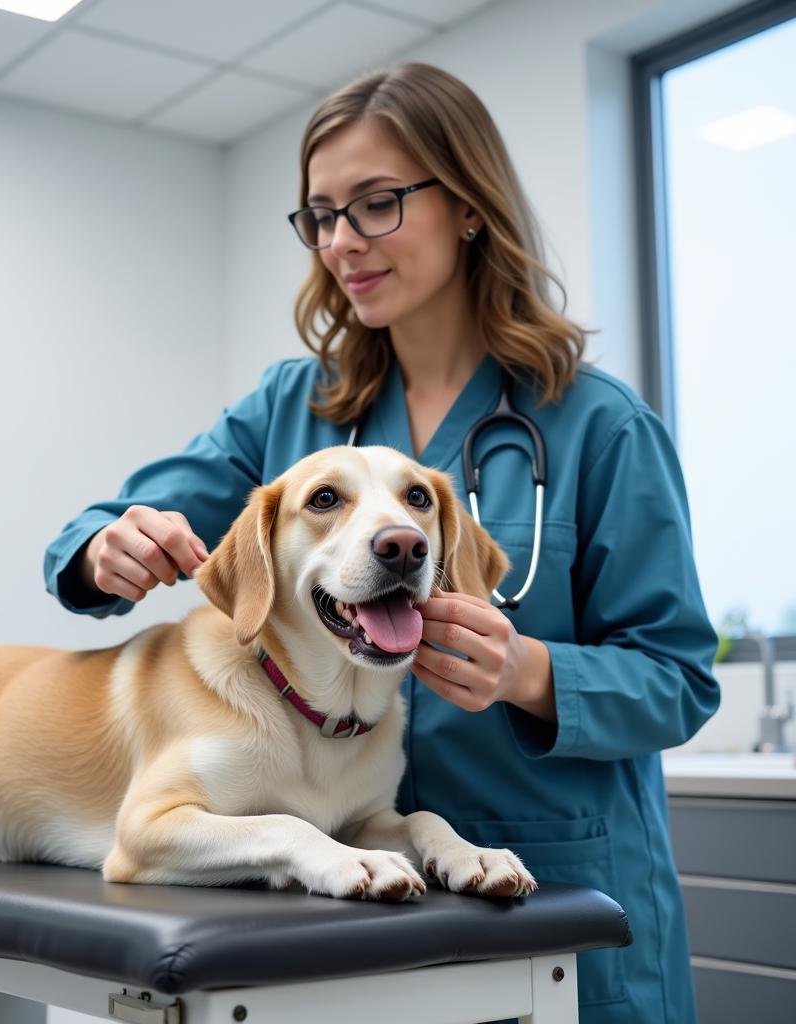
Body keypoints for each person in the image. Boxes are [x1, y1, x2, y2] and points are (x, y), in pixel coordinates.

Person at [44, 63, 719, 1024]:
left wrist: (530, 673)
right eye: (320, 215)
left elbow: (681, 677)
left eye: (377, 205)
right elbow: (115, 522)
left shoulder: (599, 428)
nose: (341, 244)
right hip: (352, 893)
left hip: (557, 893)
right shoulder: (295, 409)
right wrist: (106, 545)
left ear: (471, 207)